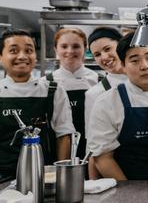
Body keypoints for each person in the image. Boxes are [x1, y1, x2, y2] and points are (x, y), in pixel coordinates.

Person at [87, 33, 148, 180]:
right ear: (123, 65)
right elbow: (103, 158)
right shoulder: (108, 102)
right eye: (134, 60)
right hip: (131, 183)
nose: (145, 66)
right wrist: (129, 193)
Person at [0, 29, 74, 179]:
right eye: (13, 50)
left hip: (42, 175)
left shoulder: (53, 90)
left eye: (29, 50)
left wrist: (57, 176)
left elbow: (64, 135)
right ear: (1, 57)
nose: (22, 56)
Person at [83, 27, 128, 179]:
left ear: (121, 45)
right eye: (97, 54)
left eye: (108, 49)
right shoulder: (94, 94)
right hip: (112, 169)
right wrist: (93, 183)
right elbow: (93, 147)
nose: (104, 57)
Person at [48, 28, 98, 160]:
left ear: (85, 48)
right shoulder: (46, 84)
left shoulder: (99, 81)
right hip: (57, 151)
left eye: (76, 46)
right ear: (55, 49)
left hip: (92, 151)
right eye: (64, 46)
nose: (70, 51)